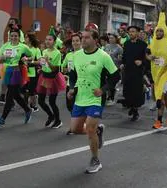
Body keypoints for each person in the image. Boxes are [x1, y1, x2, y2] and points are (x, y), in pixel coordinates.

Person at [67, 29, 119, 173]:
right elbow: (72, 75)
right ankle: (98, 130)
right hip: (80, 98)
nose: (83, 40)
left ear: (95, 40)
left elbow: (115, 76)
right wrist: (72, 89)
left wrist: (103, 90)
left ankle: (95, 160)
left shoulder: (103, 56)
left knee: (90, 130)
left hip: (96, 99)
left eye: (86, 38)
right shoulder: (76, 55)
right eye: (82, 37)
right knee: (75, 129)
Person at [146, 12, 167, 129]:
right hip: (156, 72)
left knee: (160, 94)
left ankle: (159, 120)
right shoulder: (152, 43)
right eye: (157, 31)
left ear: (165, 31)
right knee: (163, 94)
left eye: (161, 31)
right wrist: (149, 57)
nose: (159, 33)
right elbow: (147, 53)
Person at [0, 26, 32, 126]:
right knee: (15, 94)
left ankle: (2, 119)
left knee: (9, 95)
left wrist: (26, 59)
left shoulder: (23, 47)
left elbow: (31, 56)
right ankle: (27, 110)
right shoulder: (5, 46)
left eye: (15, 36)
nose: (13, 37)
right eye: (11, 36)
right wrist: (3, 57)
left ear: (19, 36)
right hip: (6, 70)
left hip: (17, 71)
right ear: (9, 36)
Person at [36, 32, 66, 129]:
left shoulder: (57, 53)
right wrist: (41, 67)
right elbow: (43, 64)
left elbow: (55, 69)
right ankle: (50, 115)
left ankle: (58, 121)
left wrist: (47, 61)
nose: (47, 41)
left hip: (53, 78)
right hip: (44, 76)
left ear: (54, 41)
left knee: (52, 102)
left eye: (50, 39)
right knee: (40, 101)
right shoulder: (44, 51)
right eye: (46, 39)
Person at [120, 26, 147, 121]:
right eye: (130, 31)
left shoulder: (143, 45)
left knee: (136, 91)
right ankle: (131, 106)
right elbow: (124, 56)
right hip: (128, 70)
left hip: (138, 71)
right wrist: (122, 63)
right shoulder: (126, 44)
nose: (131, 33)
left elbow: (146, 58)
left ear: (138, 33)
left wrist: (141, 62)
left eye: (133, 31)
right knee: (128, 90)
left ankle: (135, 110)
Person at [22, 32, 42, 112]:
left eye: (26, 37)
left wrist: (30, 62)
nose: (25, 39)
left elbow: (40, 62)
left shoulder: (36, 49)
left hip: (33, 73)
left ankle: (33, 105)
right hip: (23, 72)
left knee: (31, 91)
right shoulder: (23, 48)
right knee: (23, 89)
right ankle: (27, 103)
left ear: (30, 39)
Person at [104, 34, 123, 106]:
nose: (110, 39)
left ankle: (111, 98)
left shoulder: (119, 48)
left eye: (112, 38)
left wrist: (114, 58)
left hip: (115, 68)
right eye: (109, 38)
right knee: (106, 83)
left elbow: (121, 59)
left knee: (111, 84)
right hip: (106, 67)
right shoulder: (107, 46)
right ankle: (107, 96)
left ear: (116, 39)